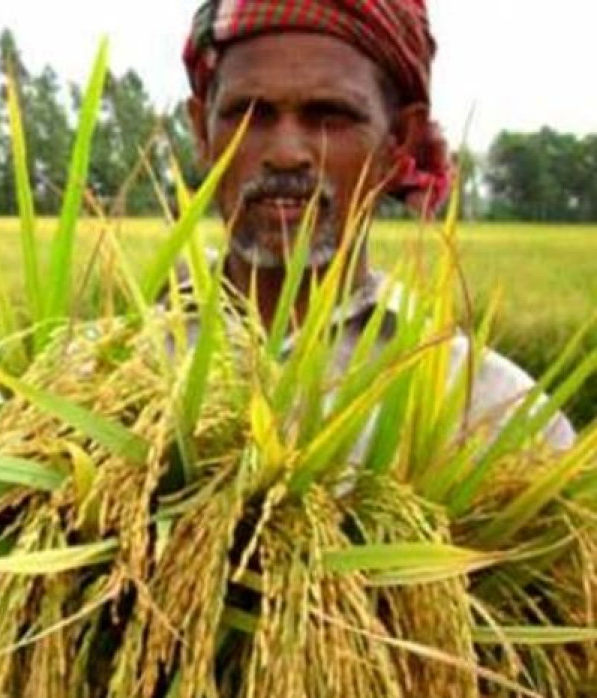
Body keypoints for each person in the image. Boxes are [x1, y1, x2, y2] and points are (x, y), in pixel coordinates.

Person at [178, 0, 574, 447]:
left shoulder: (493, 415)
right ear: (202, 131)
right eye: (250, 113)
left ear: (398, 140)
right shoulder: (105, 374)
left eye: (330, 115)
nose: (287, 153)